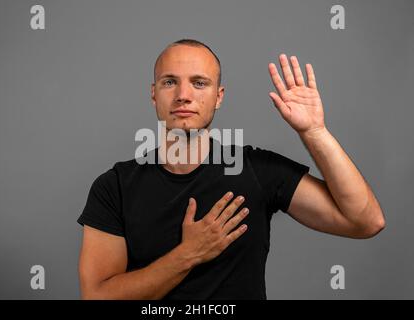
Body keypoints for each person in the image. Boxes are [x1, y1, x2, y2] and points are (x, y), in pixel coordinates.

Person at [77, 39, 385, 300]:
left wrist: (314, 132)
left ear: (218, 96)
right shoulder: (115, 185)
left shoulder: (257, 171)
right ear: (154, 93)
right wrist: (189, 254)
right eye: (169, 82)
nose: (183, 94)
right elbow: (97, 295)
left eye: (199, 83)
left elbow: (365, 221)